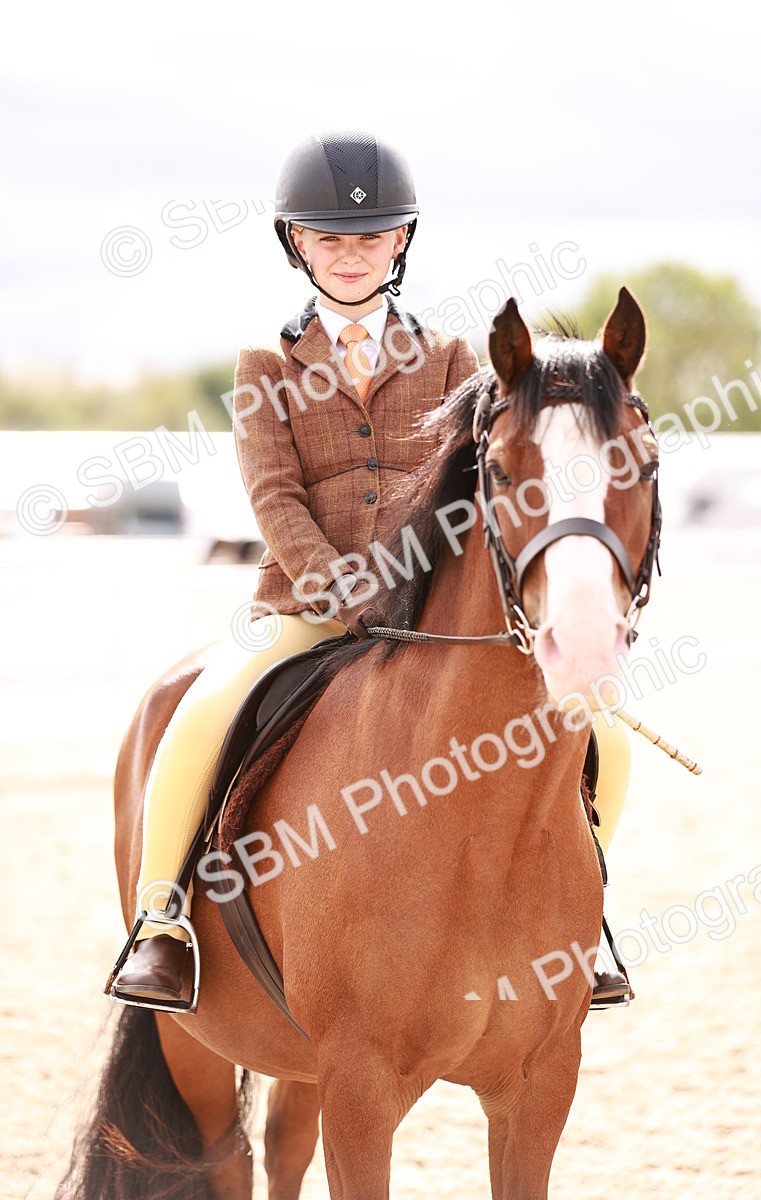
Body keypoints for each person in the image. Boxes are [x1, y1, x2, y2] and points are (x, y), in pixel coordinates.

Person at [110, 131, 480, 1006]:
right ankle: (161, 922)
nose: (349, 255)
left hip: (428, 607)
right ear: (297, 243)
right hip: (303, 607)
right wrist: (337, 583)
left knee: (591, 729)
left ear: (401, 241)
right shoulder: (267, 367)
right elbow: (272, 495)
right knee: (199, 714)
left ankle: (590, 925)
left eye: (368, 236)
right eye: (329, 238)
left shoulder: (456, 360)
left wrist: (420, 578)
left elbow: (474, 493)